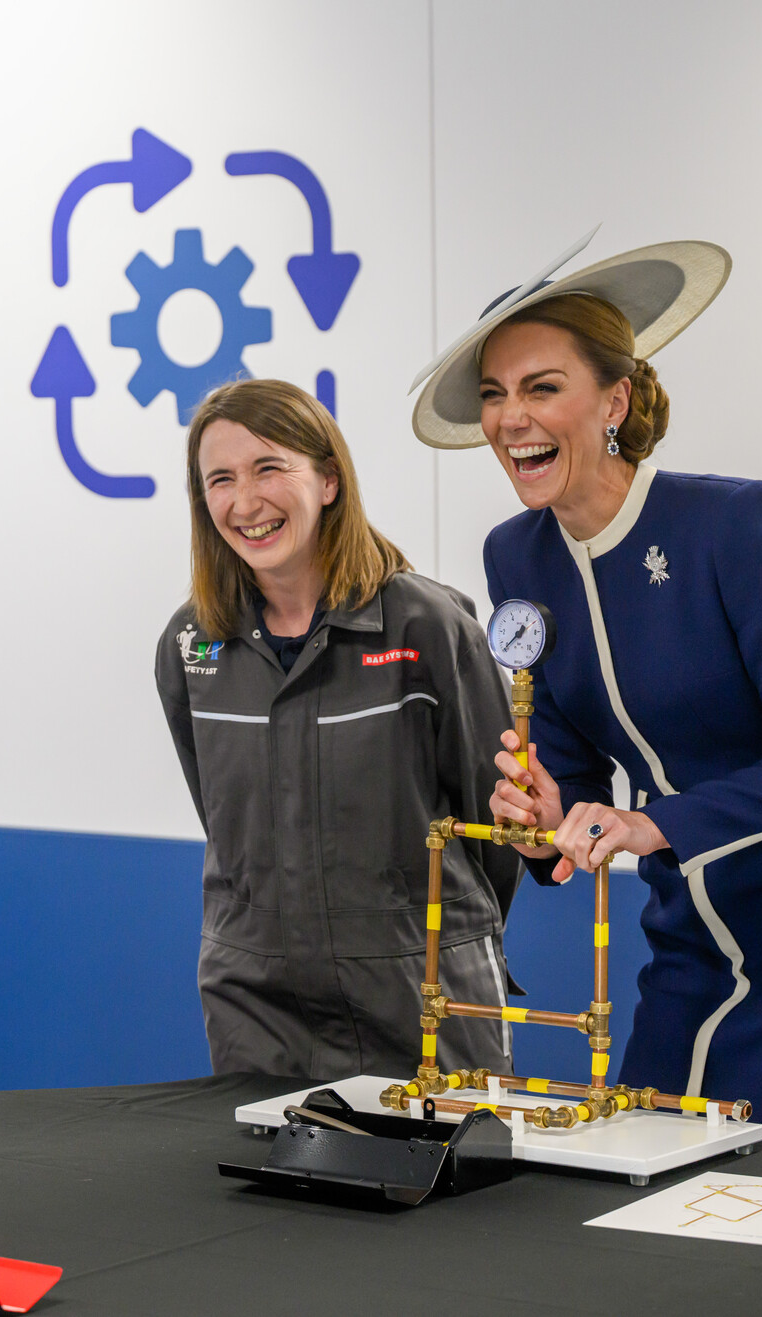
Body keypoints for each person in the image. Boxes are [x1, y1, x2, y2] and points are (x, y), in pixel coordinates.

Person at [408, 236, 762, 1153]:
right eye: (493, 393)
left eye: (542, 387)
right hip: (685, 943)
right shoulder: (514, 554)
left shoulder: (731, 522)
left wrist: (654, 824)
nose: (511, 417)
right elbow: (567, 756)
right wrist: (544, 805)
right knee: (639, 1182)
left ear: (616, 399)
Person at [155, 378, 521, 1082]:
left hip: (423, 995)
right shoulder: (191, 643)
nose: (245, 501)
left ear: (328, 478)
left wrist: (414, 933)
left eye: (269, 467)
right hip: (256, 1003)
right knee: (273, 1189)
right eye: (220, 479)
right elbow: (225, 818)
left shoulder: (428, 627)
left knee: (451, 1191)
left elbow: (492, 836)